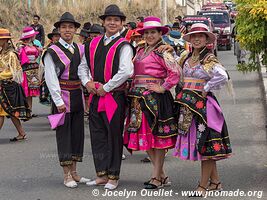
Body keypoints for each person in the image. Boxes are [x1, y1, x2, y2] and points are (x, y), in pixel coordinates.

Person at [78, 4, 134, 190]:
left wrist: (107, 87)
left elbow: (126, 71)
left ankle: (113, 176)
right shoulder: (92, 44)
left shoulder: (124, 45)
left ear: (122, 23)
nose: (112, 22)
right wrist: (87, 82)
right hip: (95, 96)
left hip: (113, 97)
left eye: (116, 20)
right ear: (103, 22)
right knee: (97, 135)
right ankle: (101, 174)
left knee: (113, 135)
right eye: (109, 19)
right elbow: (83, 67)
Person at [173, 23, 232, 196]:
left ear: (207, 39)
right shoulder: (185, 57)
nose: (197, 38)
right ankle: (215, 182)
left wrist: (206, 87)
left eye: (201, 36)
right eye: (193, 36)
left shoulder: (209, 59)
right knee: (205, 146)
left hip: (203, 107)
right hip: (188, 106)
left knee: (204, 145)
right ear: (189, 39)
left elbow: (222, 75)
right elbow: (176, 72)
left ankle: (202, 186)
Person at [123, 16, 180, 189]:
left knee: (158, 138)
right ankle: (161, 175)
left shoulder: (164, 51)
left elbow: (175, 73)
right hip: (137, 99)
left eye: (153, 32)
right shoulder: (140, 50)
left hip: (155, 99)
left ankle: (156, 177)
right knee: (145, 137)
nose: (149, 35)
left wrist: (163, 87)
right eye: (146, 32)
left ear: (159, 33)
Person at [43, 12, 90, 188]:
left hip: (77, 94)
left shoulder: (80, 48)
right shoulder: (52, 51)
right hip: (62, 96)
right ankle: (66, 175)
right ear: (59, 30)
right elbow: (50, 78)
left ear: (76, 29)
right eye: (64, 27)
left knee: (77, 134)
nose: (67, 30)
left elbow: (84, 71)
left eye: (71, 27)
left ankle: (75, 173)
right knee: (64, 135)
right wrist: (58, 101)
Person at [0, 28, 31, 141]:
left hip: (9, 86)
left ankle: (22, 133)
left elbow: (15, 72)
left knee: (3, 112)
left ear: (5, 40)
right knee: (10, 112)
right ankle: (21, 133)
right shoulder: (1, 53)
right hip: (2, 86)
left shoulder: (12, 54)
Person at [18, 26, 42, 117]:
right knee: (25, 91)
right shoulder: (21, 46)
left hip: (34, 69)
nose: (35, 37)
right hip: (26, 69)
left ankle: (30, 110)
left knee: (31, 92)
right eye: (33, 35)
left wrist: (39, 51)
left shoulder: (34, 46)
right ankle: (23, 110)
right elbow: (20, 57)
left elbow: (37, 55)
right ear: (30, 36)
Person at [39, 28, 60, 106]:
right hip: (50, 72)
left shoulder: (65, 48)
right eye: (55, 36)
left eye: (59, 36)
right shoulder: (48, 49)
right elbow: (42, 63)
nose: (57, 38)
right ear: (52, 38)